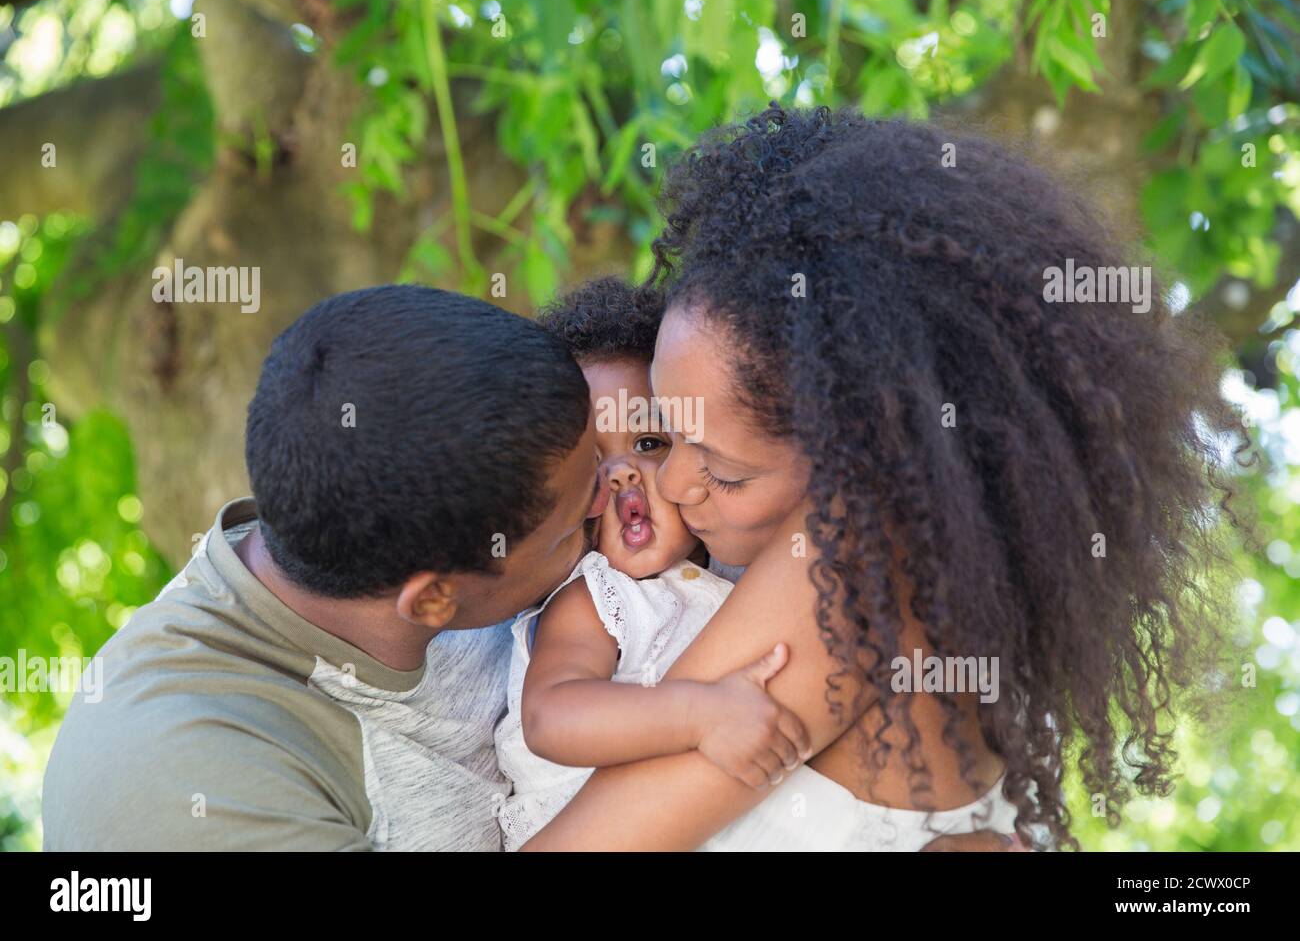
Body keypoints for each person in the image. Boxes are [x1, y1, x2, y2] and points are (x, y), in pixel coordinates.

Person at [521, 106, 1240, 851]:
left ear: (861, 454)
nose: (671, 485)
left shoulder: (847, 563)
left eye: (725, 473)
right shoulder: (960, 605)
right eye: (668, 433)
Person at [42, 285, 612, 850]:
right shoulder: (185, 791)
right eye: (573, 524)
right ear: (434, 600)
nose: (616, 493)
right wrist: (700, 742)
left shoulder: (413, 501)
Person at [494, 278, 811, 851]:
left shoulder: (732, 572)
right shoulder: (592, 599)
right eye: (591, 463)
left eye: (648, 442)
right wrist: (698, 715)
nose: (622, 474)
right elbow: (551, 716)